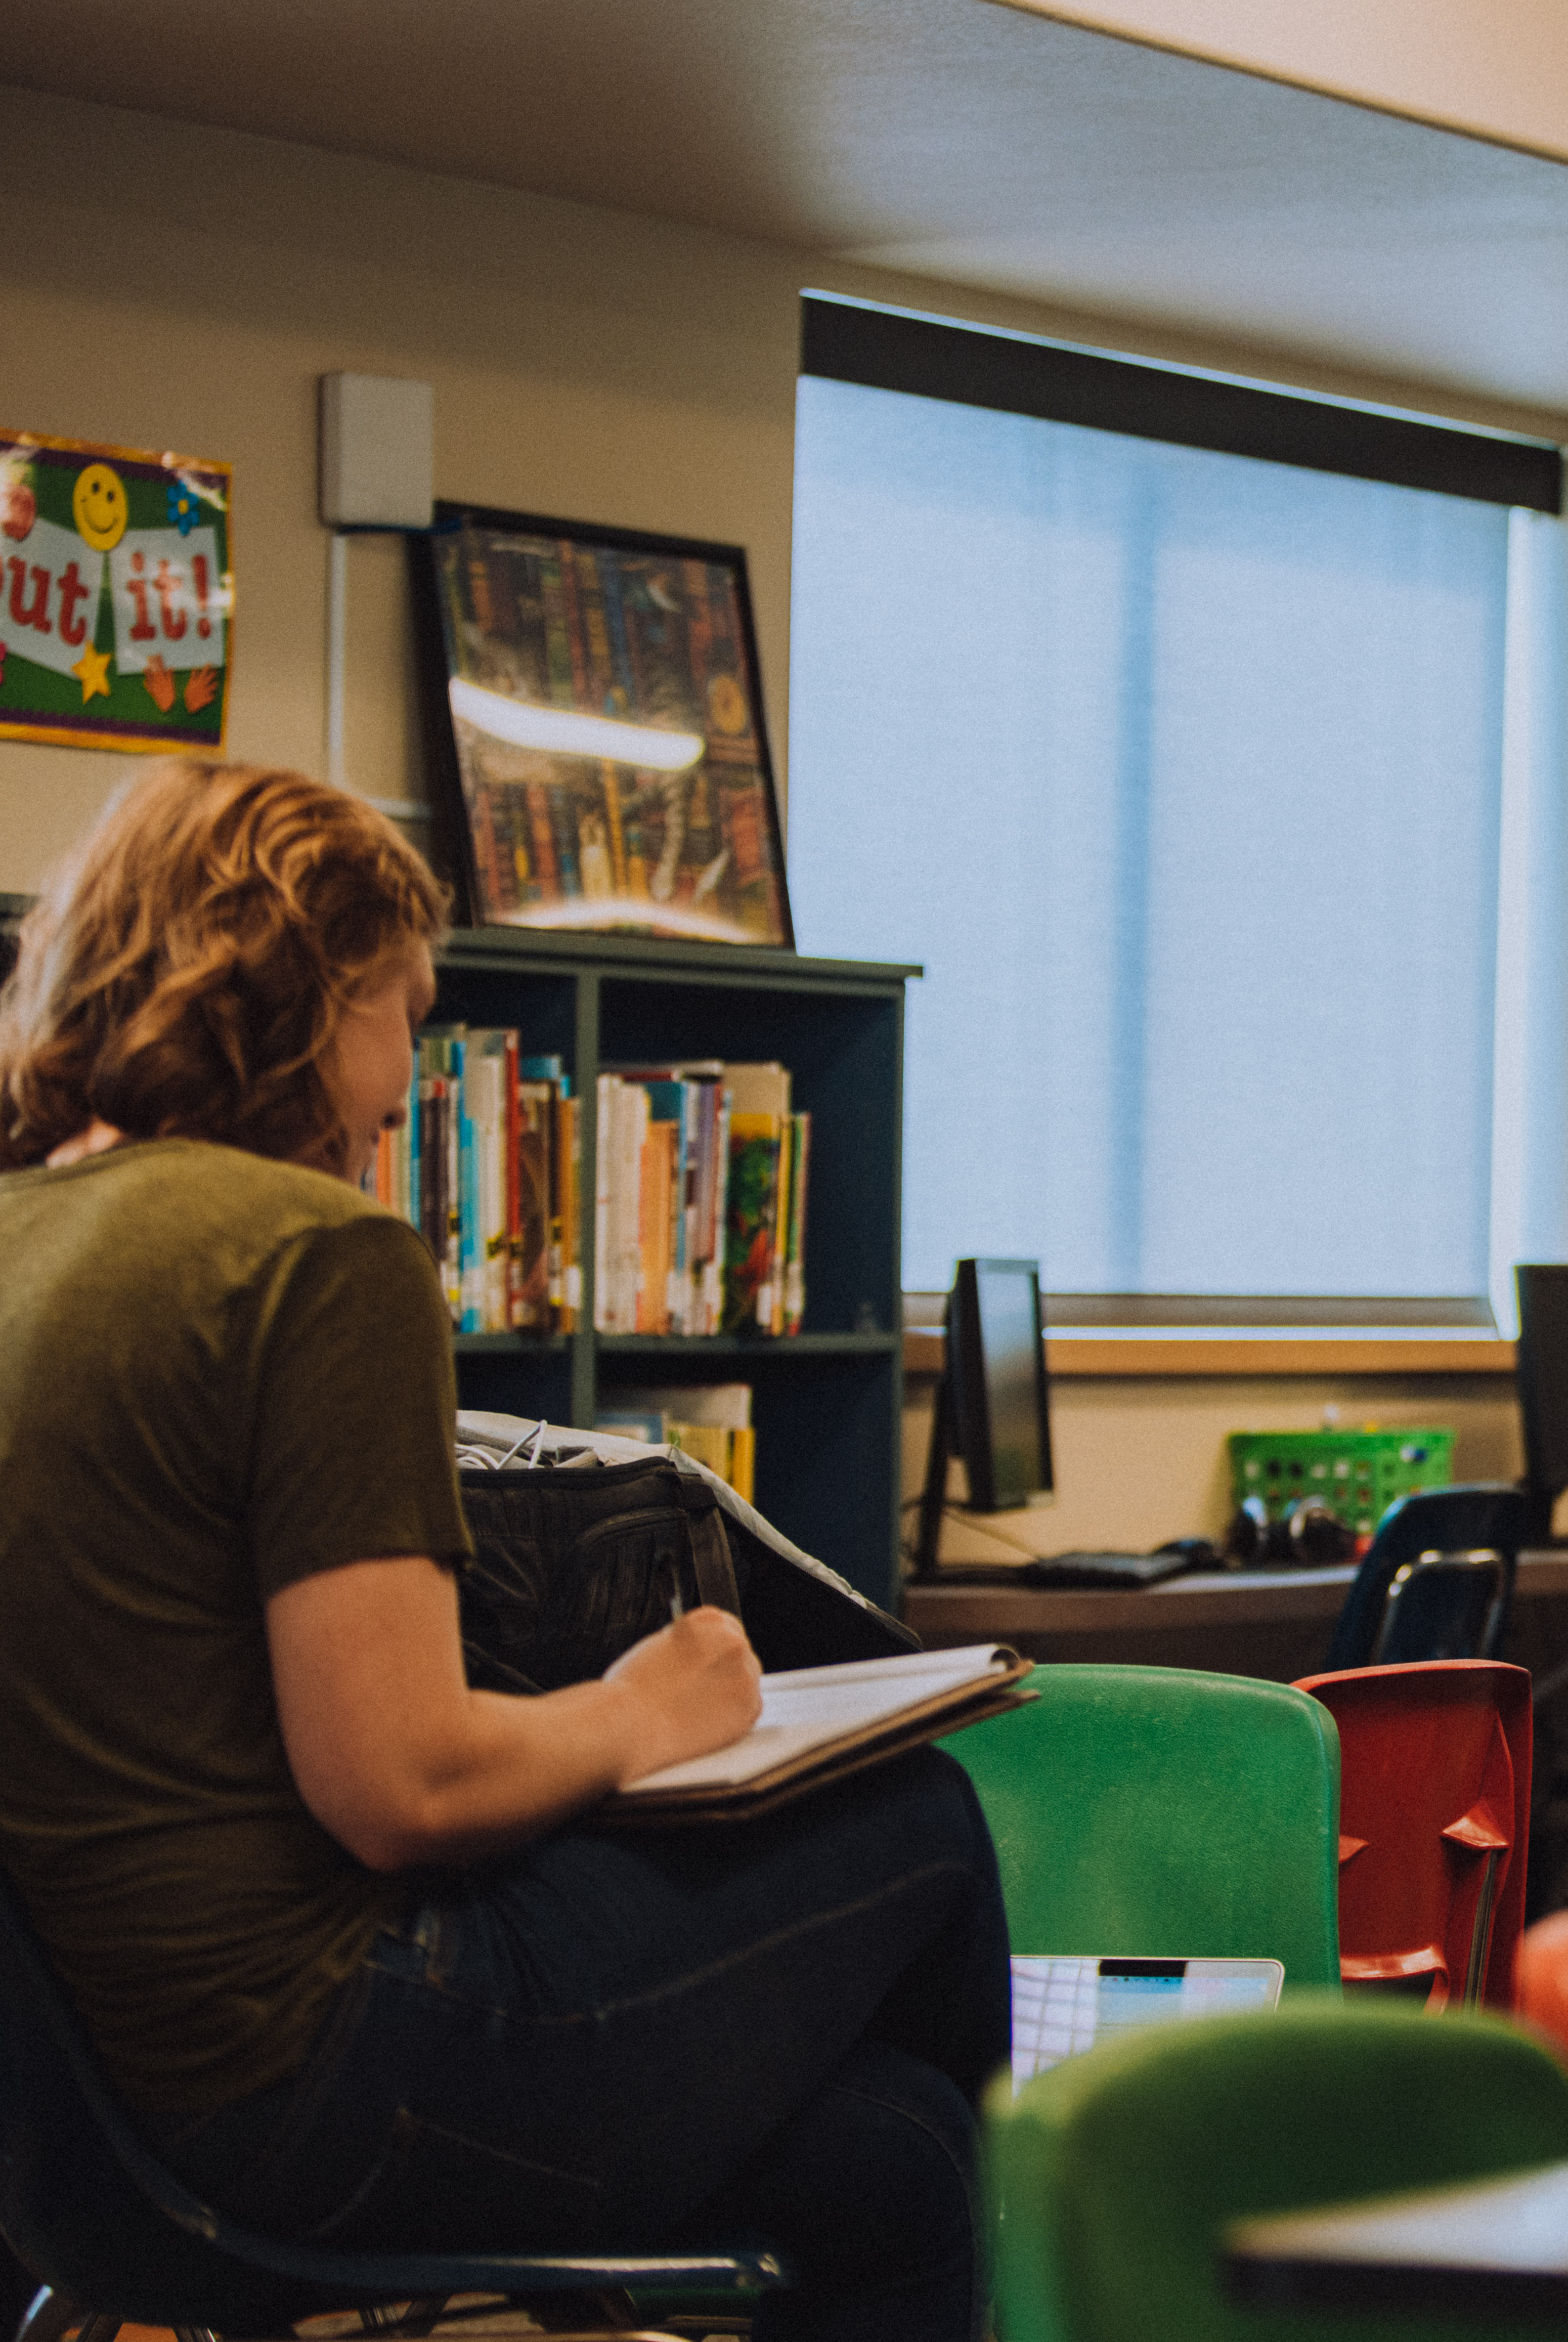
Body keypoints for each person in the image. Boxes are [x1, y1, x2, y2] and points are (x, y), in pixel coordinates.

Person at [0, 763, 1006, 2341]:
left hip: (69, 2158)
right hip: (314, 2082)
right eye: (406, 1008)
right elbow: (407, 1789)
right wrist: (648, 1706)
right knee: (927, 1821)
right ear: (315, 993)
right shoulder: (311, 1257)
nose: (408, 1073)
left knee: (893, 2163)